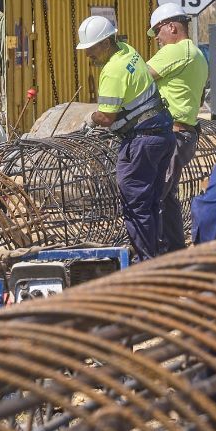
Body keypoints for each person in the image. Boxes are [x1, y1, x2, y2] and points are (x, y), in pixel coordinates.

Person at [78, 15, 176, 261]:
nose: (88, 54)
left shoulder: (112, 72)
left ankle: (146, 262)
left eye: (91, 48)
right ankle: (157, 254)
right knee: (153, 201)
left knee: (135, 203)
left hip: (141, 141)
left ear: (106, 43)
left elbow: (107, 117)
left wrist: (90, 118)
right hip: (162, 133)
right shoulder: (127, 50)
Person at [146, 3, 210, 253]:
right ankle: (174, 250)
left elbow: (136, 78)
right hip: (186, 134)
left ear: (172, 27)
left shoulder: (175, 51)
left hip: (171, 134)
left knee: (154, 196)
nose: (158, 40)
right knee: (167, 195)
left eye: (158, 31)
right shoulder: (196, 54)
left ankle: (158, 255)